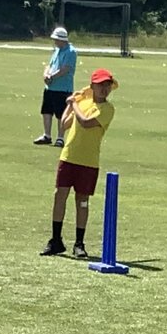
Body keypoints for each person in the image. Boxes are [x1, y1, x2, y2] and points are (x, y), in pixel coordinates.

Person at [41, 68, 117, 258]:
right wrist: (71, 103)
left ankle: (79, 243)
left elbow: (85, 122)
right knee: (60, 196)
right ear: (92, 86)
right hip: (69, 156)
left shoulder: (107, 109)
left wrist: (74, 103)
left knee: (82, 201)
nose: (104, 89)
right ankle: (56, 240)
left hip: (88, 160)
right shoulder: (82, 101)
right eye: (101, 86)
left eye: (107, 86)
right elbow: (65, 124)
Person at [33, 26, 77, 146]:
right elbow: (49, 65)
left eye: (56, 39)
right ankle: (47, 135)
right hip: (50, 87)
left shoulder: (70, 51)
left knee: (61, 114)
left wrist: (51, 77)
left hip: (62, 88)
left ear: (63, 40)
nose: (55, 41)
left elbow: (65, 69)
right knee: (46, 111)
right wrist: (46, 74)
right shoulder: (57, 50)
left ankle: (60, 138)